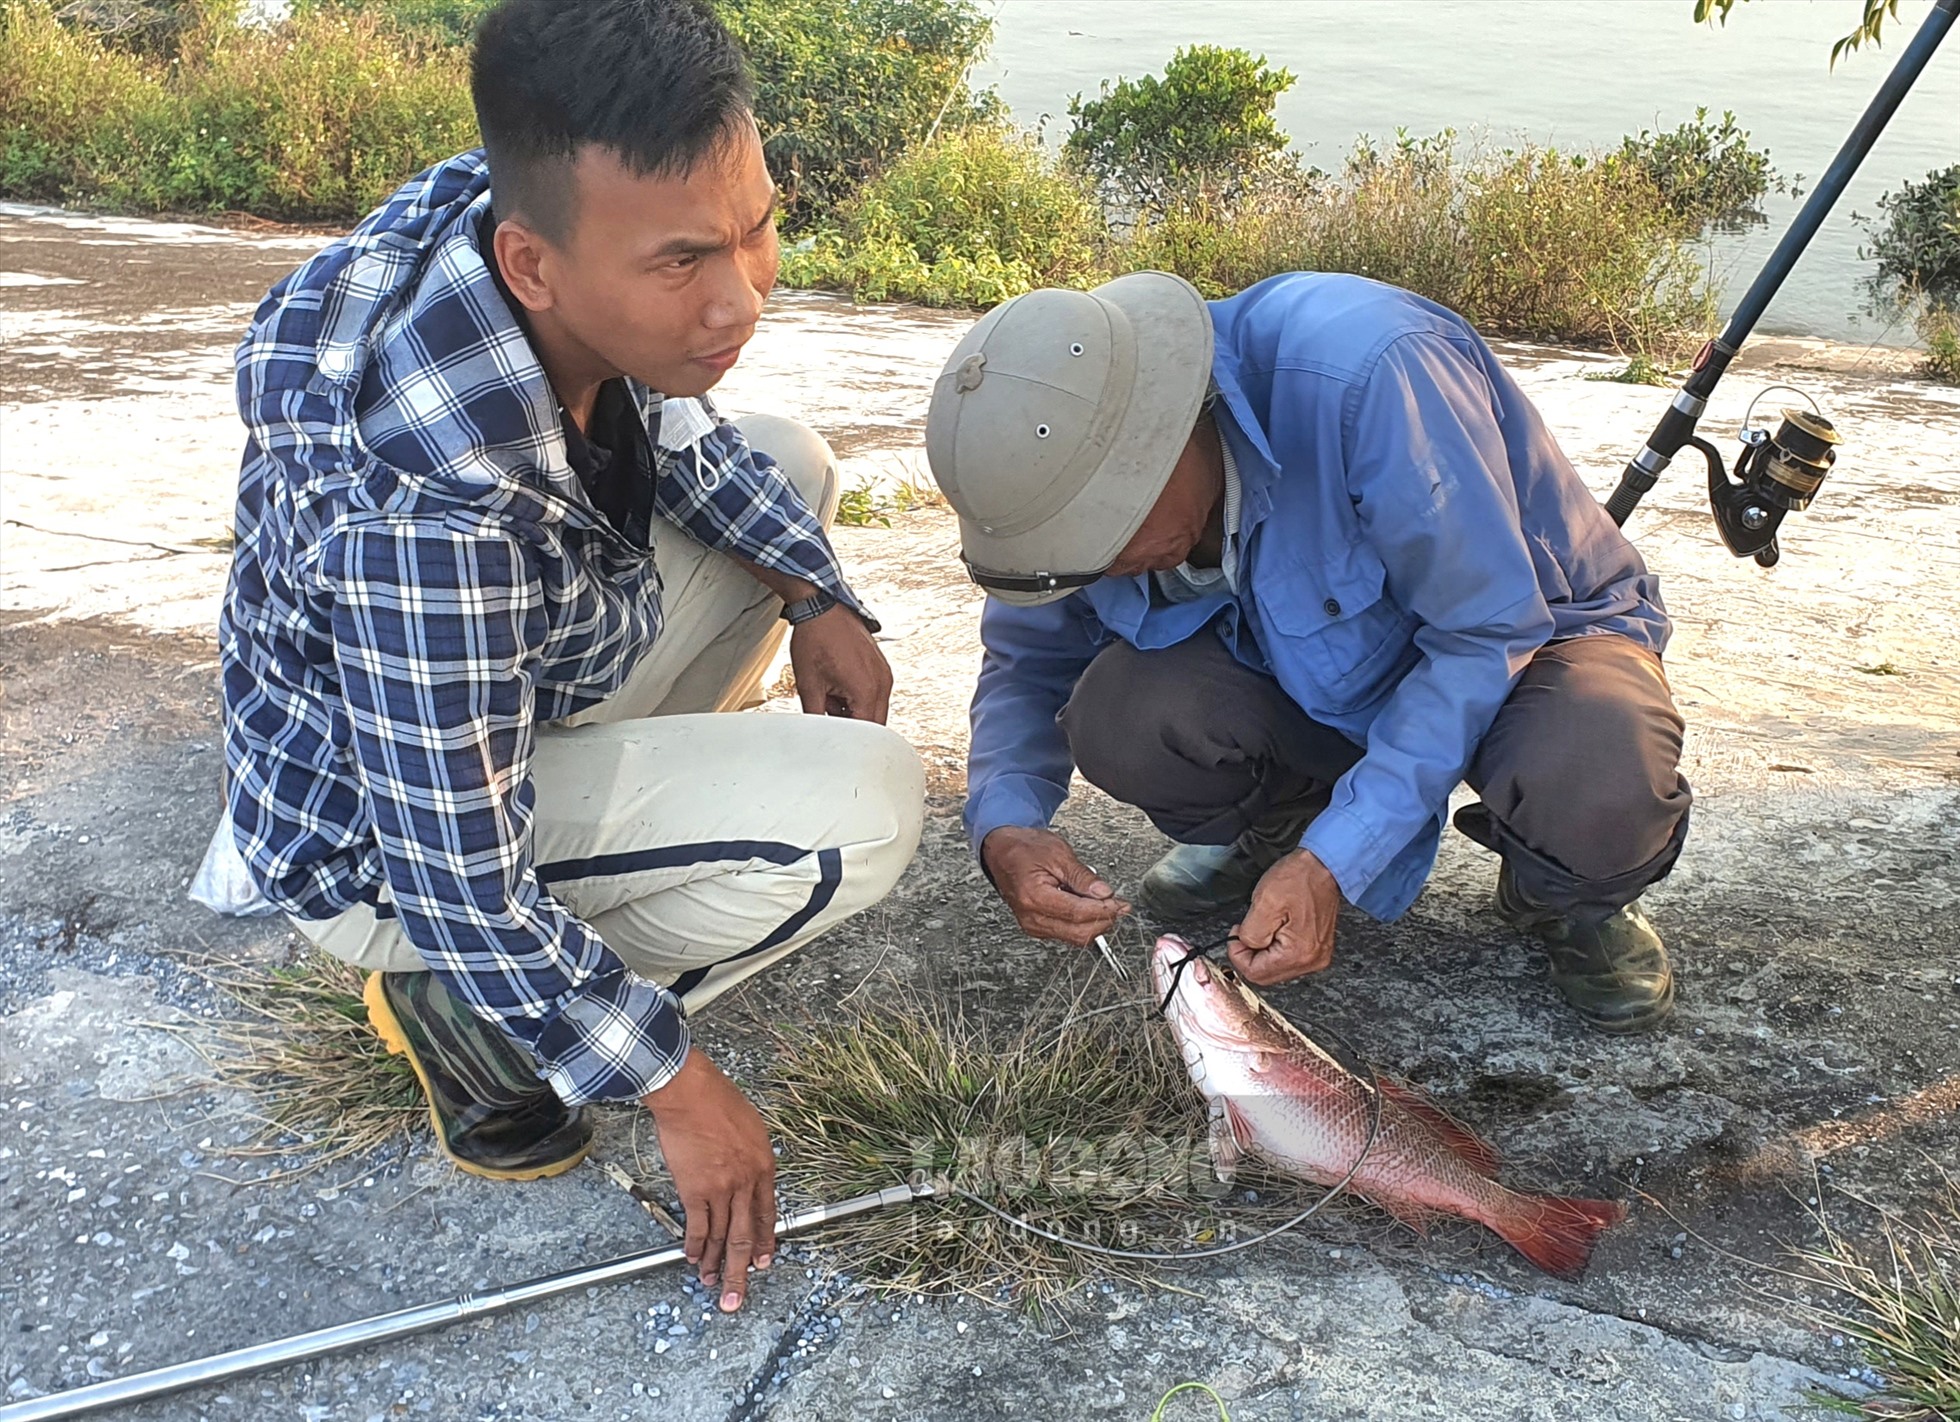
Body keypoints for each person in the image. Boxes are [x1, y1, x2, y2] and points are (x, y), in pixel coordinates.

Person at [202, 0, 924, 1312]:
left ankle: (606, 867)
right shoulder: (436, 516)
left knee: (788, 463)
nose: (742, 294)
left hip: (489, 690)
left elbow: (692, 432)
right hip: (390, 853)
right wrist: (679, 1083)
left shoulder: (508, 207)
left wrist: (819, 593)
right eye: (684, 261)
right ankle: (478, 1026)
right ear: (534, 266)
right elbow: (460, 884)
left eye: (758, 227)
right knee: (861, 813)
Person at [929, 270, 1689, 1033]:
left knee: (1599, 775)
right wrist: (1006, 827)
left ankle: (1566, 895)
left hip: (1534, 640)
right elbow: (1027, 665)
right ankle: (1290, 824)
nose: (1091, 566)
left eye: (1101, 536)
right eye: (1065, 554)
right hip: (1306, 674)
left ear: (1165, 438)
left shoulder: (1375, 370)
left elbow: (1484, 633)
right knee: (1122, 715)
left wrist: (1340, 861)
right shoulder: (1049, 478)